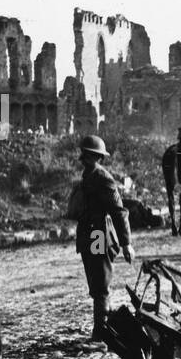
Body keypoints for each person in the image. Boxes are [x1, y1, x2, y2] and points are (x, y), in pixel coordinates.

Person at [75, 135, 134, 342]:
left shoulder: (102, 177)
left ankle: (102, 332)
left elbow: (118, 211)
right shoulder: (89, 175)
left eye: (89, 155)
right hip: (89, 234)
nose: (84, 158)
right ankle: (101, 329)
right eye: (84, 155)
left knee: (100, 282)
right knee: (95, 281)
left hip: (98, 234)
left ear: (97, 157)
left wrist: (126, 243)